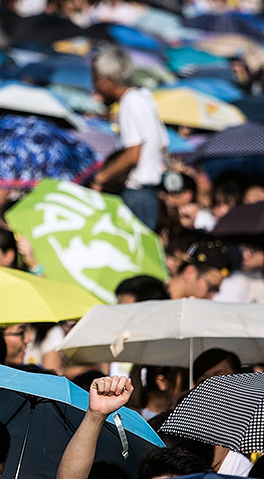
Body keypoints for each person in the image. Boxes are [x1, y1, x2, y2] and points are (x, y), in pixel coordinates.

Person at [90, 45, 167, 230]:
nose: (95, 86)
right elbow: (162, 143)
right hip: (149, 192)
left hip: (136, 193)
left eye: (96, 79)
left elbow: (133, 153)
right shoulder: (144, 97)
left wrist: (101, 178)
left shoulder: (129, 102)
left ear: (109, 80)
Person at [167, 240, 231, 300]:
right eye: (211, 288)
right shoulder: (158, 297)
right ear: (190, 273)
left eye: (216, 290)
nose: (211, 296)